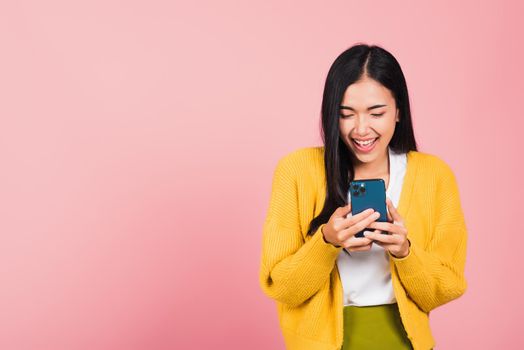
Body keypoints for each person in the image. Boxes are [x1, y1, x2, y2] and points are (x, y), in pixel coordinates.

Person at [258, 43, 467, 350]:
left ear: (398, 111)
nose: (361, 129)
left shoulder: (434, 176)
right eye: (346, 114)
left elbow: (445, 288)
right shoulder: (297, 171)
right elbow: (283, 288)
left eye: (376, 112)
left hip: (404, 341)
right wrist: (326, 242)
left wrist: (405, 252)